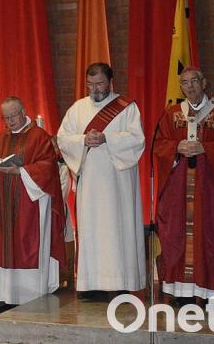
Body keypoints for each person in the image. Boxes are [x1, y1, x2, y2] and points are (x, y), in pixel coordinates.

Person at [154, 67, 214, 302]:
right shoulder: (172, 113)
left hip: (211, 193)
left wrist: (207, 148)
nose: (190, 86)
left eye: (194, 81)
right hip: (179, 192)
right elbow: (159, 145)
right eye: (184, 83)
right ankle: (183, 294)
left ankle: (208, 293)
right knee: (178, 237)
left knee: (209, 237)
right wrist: (176, 147)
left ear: (204, 83)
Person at [57, 62, 146, 299]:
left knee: (119, 229)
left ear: (110, 82)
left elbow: (137, 139)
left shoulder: (127, 108)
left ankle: (122, 282)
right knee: (91, 230)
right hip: (90, 184)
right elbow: (63, 138)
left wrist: (108, 138)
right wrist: (82, 140)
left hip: (118, 184)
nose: (95, 89)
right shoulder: (77, 109)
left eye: (100, 84)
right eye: (91, 84)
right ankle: (92, 285)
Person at [0, 97, 65, 313]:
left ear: (23, 111)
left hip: (30, 204)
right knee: (4, 245)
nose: (10, 121)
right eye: (6, 118)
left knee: (27, 243)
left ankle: (31, 297)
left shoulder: (39, 137)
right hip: (2, 204)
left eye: (13, 116)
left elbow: (48, 167)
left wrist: (21, 171)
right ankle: (7, 297)